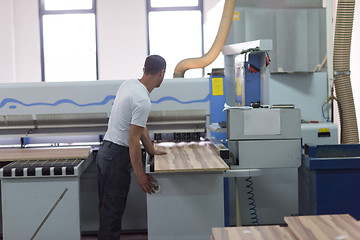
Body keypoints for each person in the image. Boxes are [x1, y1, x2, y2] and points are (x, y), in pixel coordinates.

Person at [96, 55, 167, 240]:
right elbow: (133, 140)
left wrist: (151, 150)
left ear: (143, 69)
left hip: (107, 152)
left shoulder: (129, 84)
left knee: (108, 209)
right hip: (117, 157)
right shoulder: (143, 100)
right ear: (162, 73)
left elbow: (138, 124)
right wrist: (140, 174)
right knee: (112, 212)